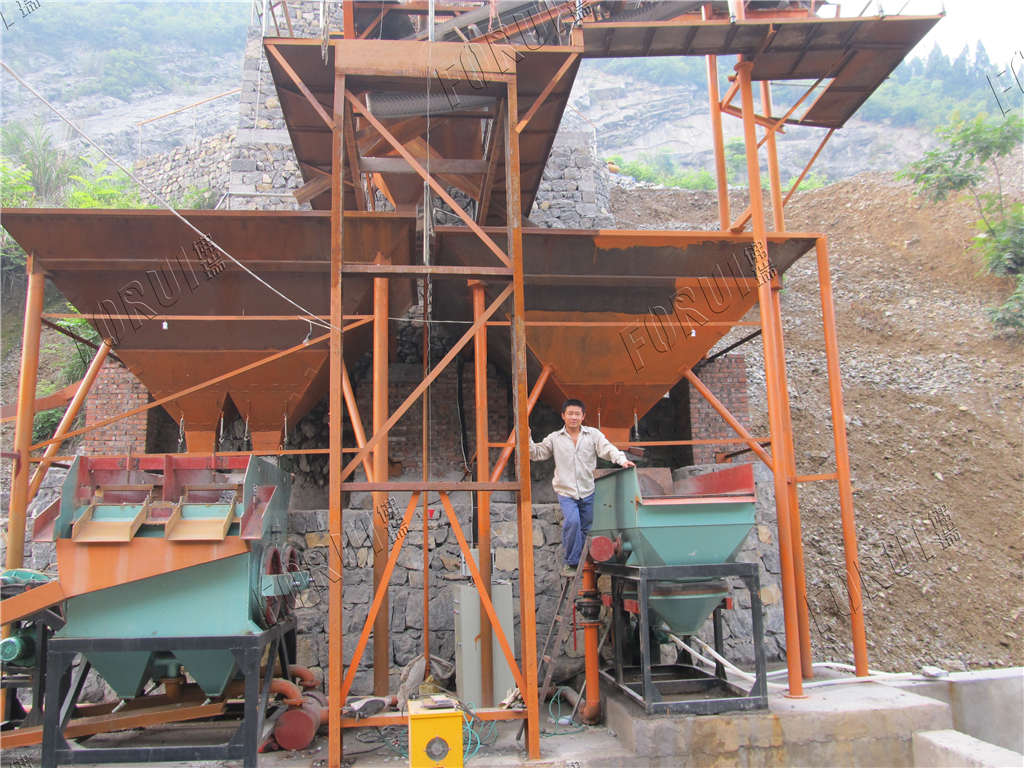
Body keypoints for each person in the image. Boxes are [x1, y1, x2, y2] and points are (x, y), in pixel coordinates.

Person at [529, 398, 635, 576]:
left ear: (583, 416)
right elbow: (537, 453)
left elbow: (607, 449)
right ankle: (571, 563)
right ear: (563, 416)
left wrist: (622, 460)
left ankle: (587, 563)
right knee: (572, 522)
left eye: (577, 414)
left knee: (587, 529)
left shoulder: (593, 435)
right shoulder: (555, 438)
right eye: (570, 413)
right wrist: (526, 437)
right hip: (566, 491)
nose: (573, 417)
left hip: (588, 490)